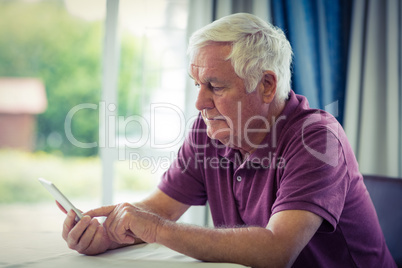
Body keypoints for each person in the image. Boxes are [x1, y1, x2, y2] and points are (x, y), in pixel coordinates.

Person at [60, 13, 397, 268]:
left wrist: (154, 228)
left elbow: (276, 249)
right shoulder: (209, 130)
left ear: (266, 85)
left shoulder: (318, 139)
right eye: (197, 85)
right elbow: (160, 210)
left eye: (215, 86)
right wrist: (109, 233)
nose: (200, 103)